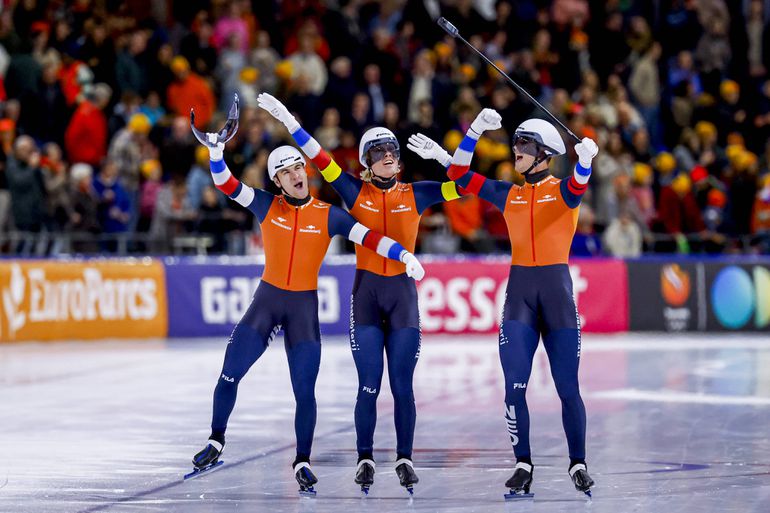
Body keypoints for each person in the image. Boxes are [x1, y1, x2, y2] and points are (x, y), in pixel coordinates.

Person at [190, 122, 426, 495]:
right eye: (286, 171)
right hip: (266, 303)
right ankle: (216, 439)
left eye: (298, 167)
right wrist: (217, 153)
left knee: (305, 392)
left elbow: (369, 237)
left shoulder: (328, 214)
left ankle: (302, 460)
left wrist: (403, 255)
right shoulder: (266, 205)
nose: (296, 174)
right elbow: (227, 186)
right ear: (277, 183)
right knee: (230, 372)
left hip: (303, 309)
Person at [258, 92, 462, 494]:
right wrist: (289, 120)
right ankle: (365, 456)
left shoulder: (417, 193)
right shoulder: (353, 193)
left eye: (393, 149)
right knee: (369, 384)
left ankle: (404, 457)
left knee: (402, 386)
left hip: (402, 297)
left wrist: (445, 158)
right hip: (366, 297)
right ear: (368, 161)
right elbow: (318, 158)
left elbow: (465, 187)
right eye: (380, 150)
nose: (389, 155)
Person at [409, 109, 599, 497]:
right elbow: (460, 176)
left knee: (567, 387)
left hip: (557, 297)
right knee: (514, 387)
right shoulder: (508, 193)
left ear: (545, 155)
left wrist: (585, 162)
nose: (516, 151)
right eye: (516, 143)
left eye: (525, 145)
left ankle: (577, 462)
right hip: (520, 299)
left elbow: (578, 186)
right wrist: (473, 130)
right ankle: (523, 463)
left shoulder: (562, 190)